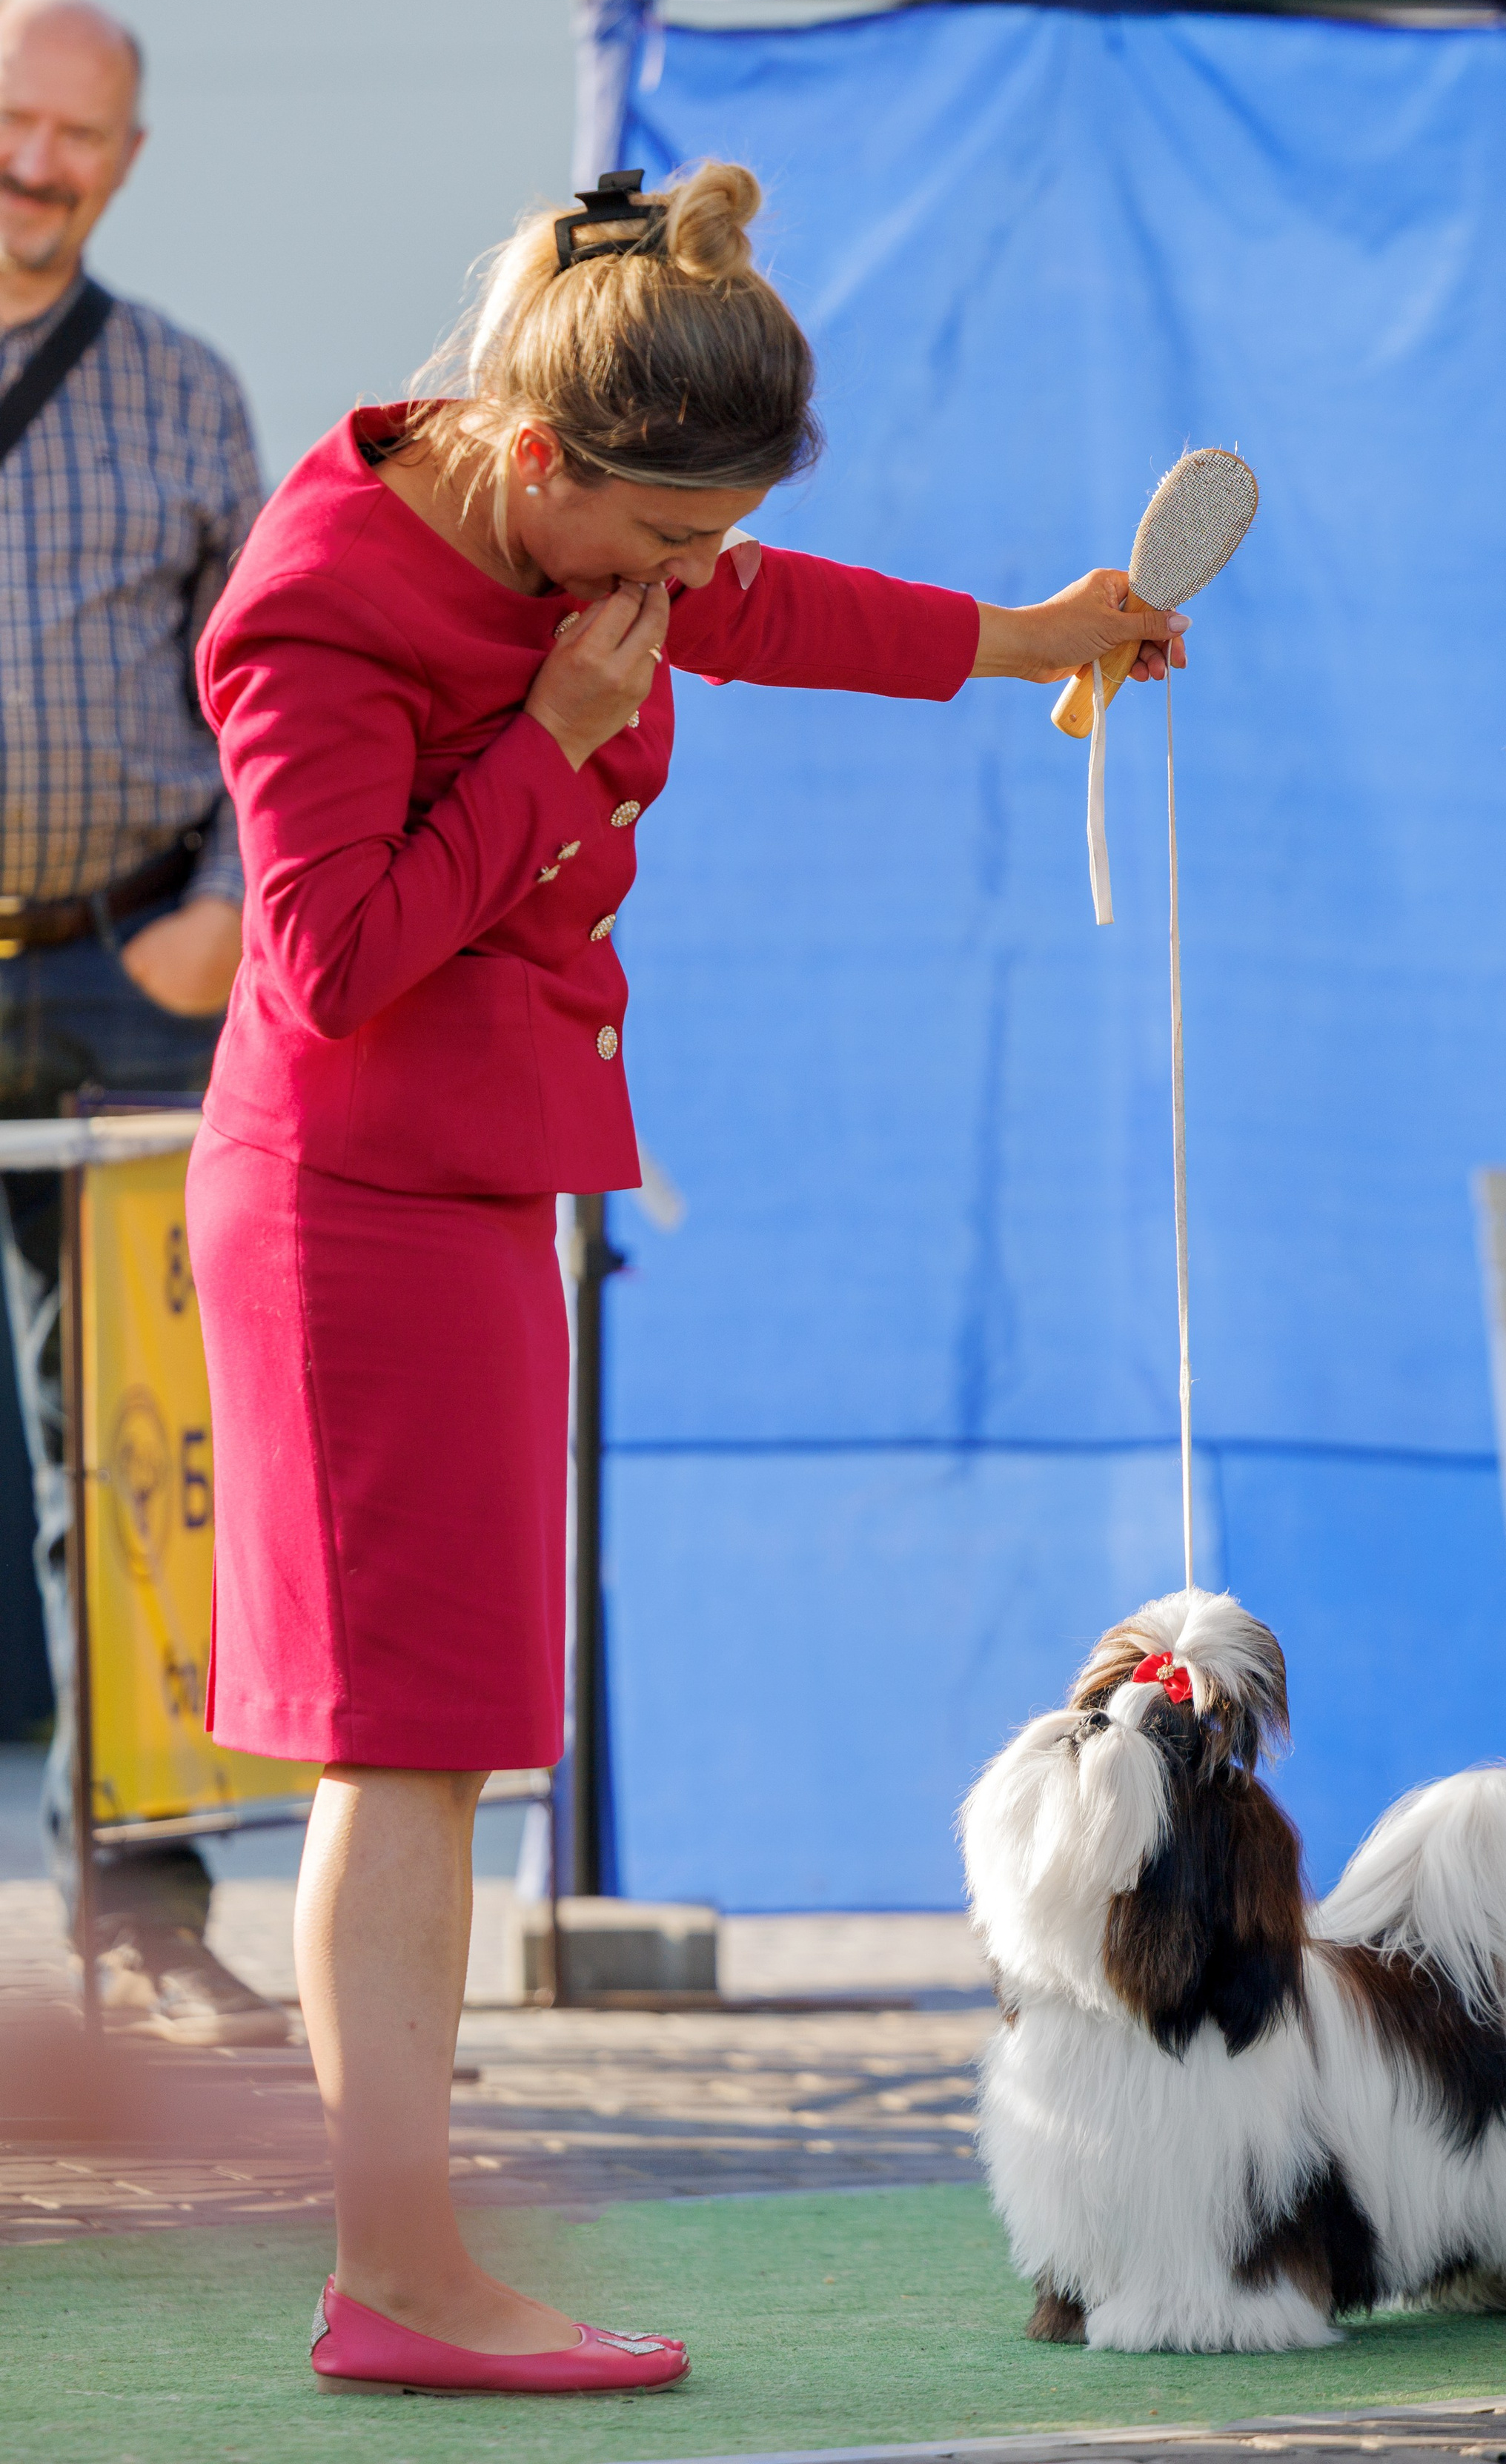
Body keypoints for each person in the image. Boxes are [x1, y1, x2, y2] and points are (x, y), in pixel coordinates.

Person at [190, 158, 1187, 2394]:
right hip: (349, 1207)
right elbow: (329, 960)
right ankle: (397, 2279)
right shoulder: (321, 606)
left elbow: (769, 607)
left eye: (705, 540)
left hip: (465, 1187)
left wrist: (1040, 639)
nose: (682, 583)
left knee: (434, 1751)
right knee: (406, 1755)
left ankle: (398, 2269)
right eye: (656, 538)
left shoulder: (586, 538)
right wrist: (550, 747)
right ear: (540, 453)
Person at [0, 0, 282, 2043]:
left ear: (129, 158)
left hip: (125, 979)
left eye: (77, 134)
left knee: (132, 1462)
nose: (36, 164)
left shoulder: (185, 394)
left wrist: (218, 915)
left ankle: (145, 1922)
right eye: (14, 120)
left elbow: (279, 697)